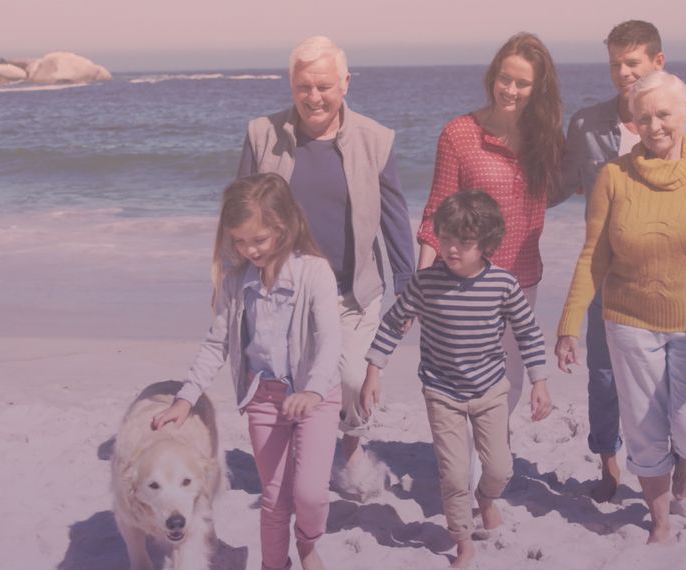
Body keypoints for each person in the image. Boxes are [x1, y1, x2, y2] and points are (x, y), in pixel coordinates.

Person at [555, 71, 686, 544]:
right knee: (644, 430)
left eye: (664, 114)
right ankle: (659, 522)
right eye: (644, 118)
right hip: (629, 322)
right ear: (633, 123)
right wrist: (569, 324)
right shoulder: (614, 176)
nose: (655, 126)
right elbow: (594, 255)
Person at [237, 36, 415, 471]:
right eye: (304, 87)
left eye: (324, 86)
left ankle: (352, 445)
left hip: (353, 291)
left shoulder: (375, 139)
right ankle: (298, 455)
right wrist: (230, 276)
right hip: (286, 289)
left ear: (345, 83)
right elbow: (240, 213)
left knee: (352, 377)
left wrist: (408, 284)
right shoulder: (262, 134)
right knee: (291, 377)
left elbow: (393, 215)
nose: (313, 97)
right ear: (291, 84)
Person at [558, 20, 686, 503]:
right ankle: (608, 464)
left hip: (677, 279)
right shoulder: (586, 124)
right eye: (615, 64)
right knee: (604, 377)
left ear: (657, 62)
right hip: (609, 276)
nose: (623, 72)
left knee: (677, 378)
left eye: (633, 63)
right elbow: (560, 184)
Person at [153, 173, 342, 570]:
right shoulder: (236, 281)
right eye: (238, 241)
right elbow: (216, 344)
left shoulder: (315, 273)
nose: (248, 249)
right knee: (274, 498)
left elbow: (330, 341)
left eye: (258, 239)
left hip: (316, 396)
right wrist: (186, 398)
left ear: (283, 227)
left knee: (309, 495)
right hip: (264, 399)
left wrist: (313, 391)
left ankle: (307, 544)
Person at [362, 190, 553, 568]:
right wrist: (373, 370)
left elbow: (528, 333)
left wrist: (539, 380)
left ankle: (486, 500)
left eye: (463, 242)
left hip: (491, 389)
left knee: (499, 469)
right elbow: (393, 324)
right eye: (446, 238)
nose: (451, 249)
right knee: (454, 475)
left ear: (486, 244)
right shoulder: (425, 283)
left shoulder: (503, 284)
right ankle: (463, 542)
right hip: (441, 391)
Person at [415, 32, 564, 489]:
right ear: (493, 76)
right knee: (463, 381)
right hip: (464, 283)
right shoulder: (459, 134)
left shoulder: (546, 139)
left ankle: (482, 469)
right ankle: (469, 477)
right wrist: (422, 284)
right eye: (505, 78)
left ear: (538, 88)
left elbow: (579, 179)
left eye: (523, 83)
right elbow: (435, 212)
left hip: (522, 279)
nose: (510, 90)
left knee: (509, 383)